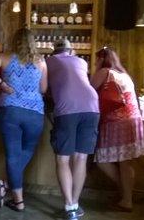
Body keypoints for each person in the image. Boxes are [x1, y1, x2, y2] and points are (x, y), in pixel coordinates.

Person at [0, 28, 47, 212]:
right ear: (33, 42)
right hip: (35, 112)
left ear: (14, 40)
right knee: (26, 151)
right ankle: (11, 192)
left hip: (10, 110)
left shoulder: (5, 57)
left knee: (12, 155)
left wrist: (1, 83)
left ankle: (14, 197)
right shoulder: (41, 62)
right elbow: (43, 89)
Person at [46, 39, 100, 219]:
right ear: (71, 51)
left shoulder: (49, 62)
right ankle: (75, 205)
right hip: (92, 107)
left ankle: (69, 207)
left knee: (62, 159)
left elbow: (44, 88)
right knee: (81, 158)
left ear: (55, 51)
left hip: (68, 108)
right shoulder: (82, 62)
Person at [90, 47, 144, 212]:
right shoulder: (124, 74)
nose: (95, 62)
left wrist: (96, 69)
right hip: (133, 119)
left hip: (116, 121)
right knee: (125, 162)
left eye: (97, 59)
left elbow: (89, 89)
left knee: (101, 160)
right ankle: (126, 197)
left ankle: (125, 194)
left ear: (102, 59)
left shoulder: (104, 72)